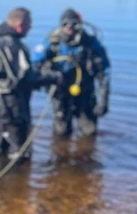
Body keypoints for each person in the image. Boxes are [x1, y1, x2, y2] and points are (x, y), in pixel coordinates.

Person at [0, 7, 60, 160]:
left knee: (3, 142)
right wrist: (52, 77)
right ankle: (17, 179)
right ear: (20, 24)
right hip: (14, 104)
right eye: (29, 24)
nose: (30, 28)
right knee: (21, 150)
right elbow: (26, 77)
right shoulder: (16, 47)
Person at [31, 8, 110, 137]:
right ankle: (61, 154)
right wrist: (47, 75)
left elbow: (105, 70)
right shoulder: (51, 42)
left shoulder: (90, 43)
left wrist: (104, 100)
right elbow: (34, 63)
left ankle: (86, 154)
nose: (69, 27)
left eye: (73, 24)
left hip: (85, 91)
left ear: (79, 24)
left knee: (89, 131)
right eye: (65, 24)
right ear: (60, 25)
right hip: (60, 91)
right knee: (61, 132)